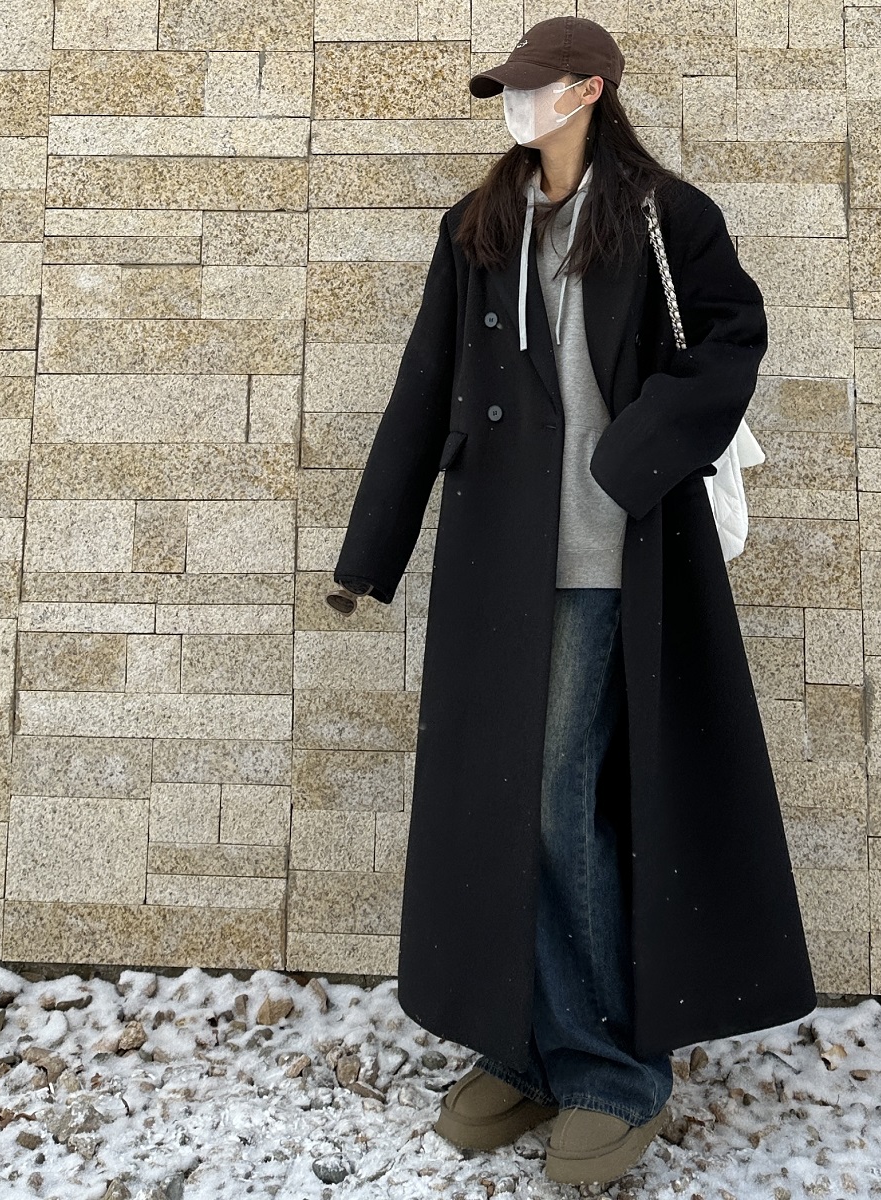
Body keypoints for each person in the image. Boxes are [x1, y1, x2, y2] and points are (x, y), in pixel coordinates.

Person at [329, 13, 816, 1190]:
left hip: (610, 557)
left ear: (589, 89)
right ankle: (530, 1050)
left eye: (535, 85)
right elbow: (426, 382)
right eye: (508, 87)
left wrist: (629, 456)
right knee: (501, 806)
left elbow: (732, 339)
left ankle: (609, 1071)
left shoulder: (661, 215)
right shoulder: (482, 223)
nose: (516, 104)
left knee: (560, 800)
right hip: (498, 565)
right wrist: (370, 551)